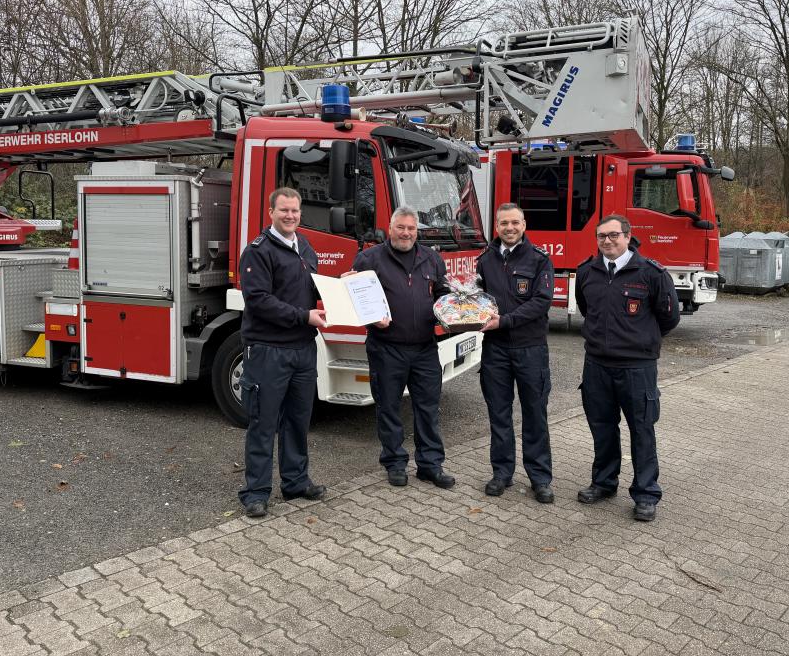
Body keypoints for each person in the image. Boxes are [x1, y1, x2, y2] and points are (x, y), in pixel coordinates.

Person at [574, 214, 679, 521]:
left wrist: (639, 341)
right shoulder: (587, 272)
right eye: (602, 236)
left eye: (614, 235)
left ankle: (646, 494)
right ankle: (604, 483)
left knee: (642, 430)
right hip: (597, 365)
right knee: (602, 428)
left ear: (628, 236)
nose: (607, 241)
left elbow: (669, 318)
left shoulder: (651, 274)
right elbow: (586, 308)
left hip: (636, 368)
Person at [237, 187, 328, 518]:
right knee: (264, 423)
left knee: (297, 421)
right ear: (271, 212)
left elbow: (311, 286)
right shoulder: (258, 251)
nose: (290, 215)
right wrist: (304, 316)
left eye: (295, 211)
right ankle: (256, 492)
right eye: (284, 210)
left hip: (302, 349)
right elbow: (259, 301)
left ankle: (295, 482)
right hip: (268, 350)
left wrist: (342, 286)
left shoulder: (304, 245)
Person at [351, 207, 455, 489]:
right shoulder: (369, 259)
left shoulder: (432, 259)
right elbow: (354, 299)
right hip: (386, 348)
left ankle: (430, 465)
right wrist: (371, 318)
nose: (406, 233)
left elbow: (442, 294)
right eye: (401, 227)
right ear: (390, 227)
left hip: (425, 348)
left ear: (416, 231)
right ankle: (395, 463)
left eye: (411, 228)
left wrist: (454, 311)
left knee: (428, 408)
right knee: (388, 408)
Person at [476, 203, 555, 503]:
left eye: (514, 222)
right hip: (495, 349)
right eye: (503, 223)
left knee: (535, 414)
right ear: (496, 227)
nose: (509, 228)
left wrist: (505, 321)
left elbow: (541, 302)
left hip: (530, 349)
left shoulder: (539, 260)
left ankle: (540, 478)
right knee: (499, 414)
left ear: (524, 224)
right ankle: (502, 473)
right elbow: (477, 299)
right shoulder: (485, 260)